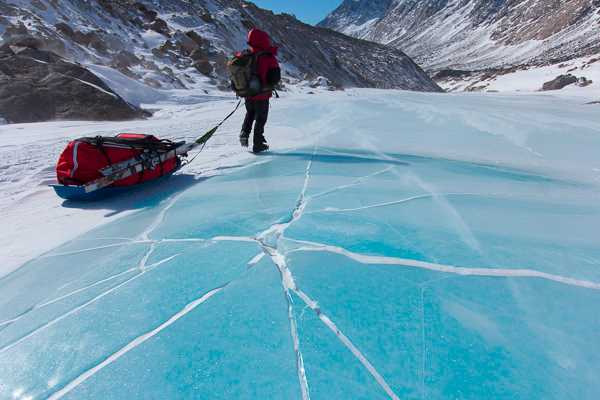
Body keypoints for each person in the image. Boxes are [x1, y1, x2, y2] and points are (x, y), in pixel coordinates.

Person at [239, 29, 280, 153]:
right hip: (262, 95)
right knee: (260, 119)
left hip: (248, 94)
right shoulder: (268, 57)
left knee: (250, 113)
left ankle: (244, 134)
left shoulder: (246, 55)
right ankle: (258, 144)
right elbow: (275, 78)